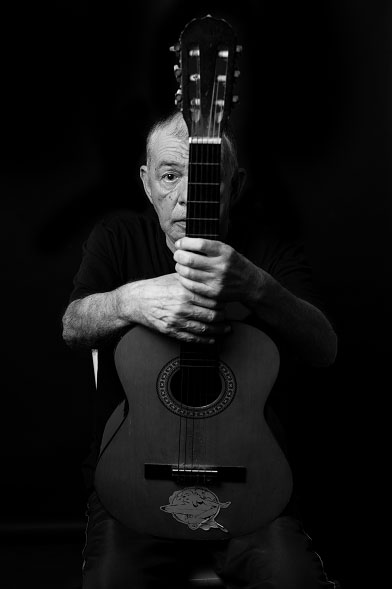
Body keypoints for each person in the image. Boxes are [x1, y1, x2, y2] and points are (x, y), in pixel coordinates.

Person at [62, 109, 339, 588]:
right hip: (134, 481)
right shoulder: (117, 238)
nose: (188, 196)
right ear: (148, 183)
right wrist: (131, 301)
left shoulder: (266, 249)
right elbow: (72, 326)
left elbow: (325, 348)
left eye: (209, 178)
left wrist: (256, 285)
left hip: (251, 483)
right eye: (171, 176)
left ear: (236, 184)